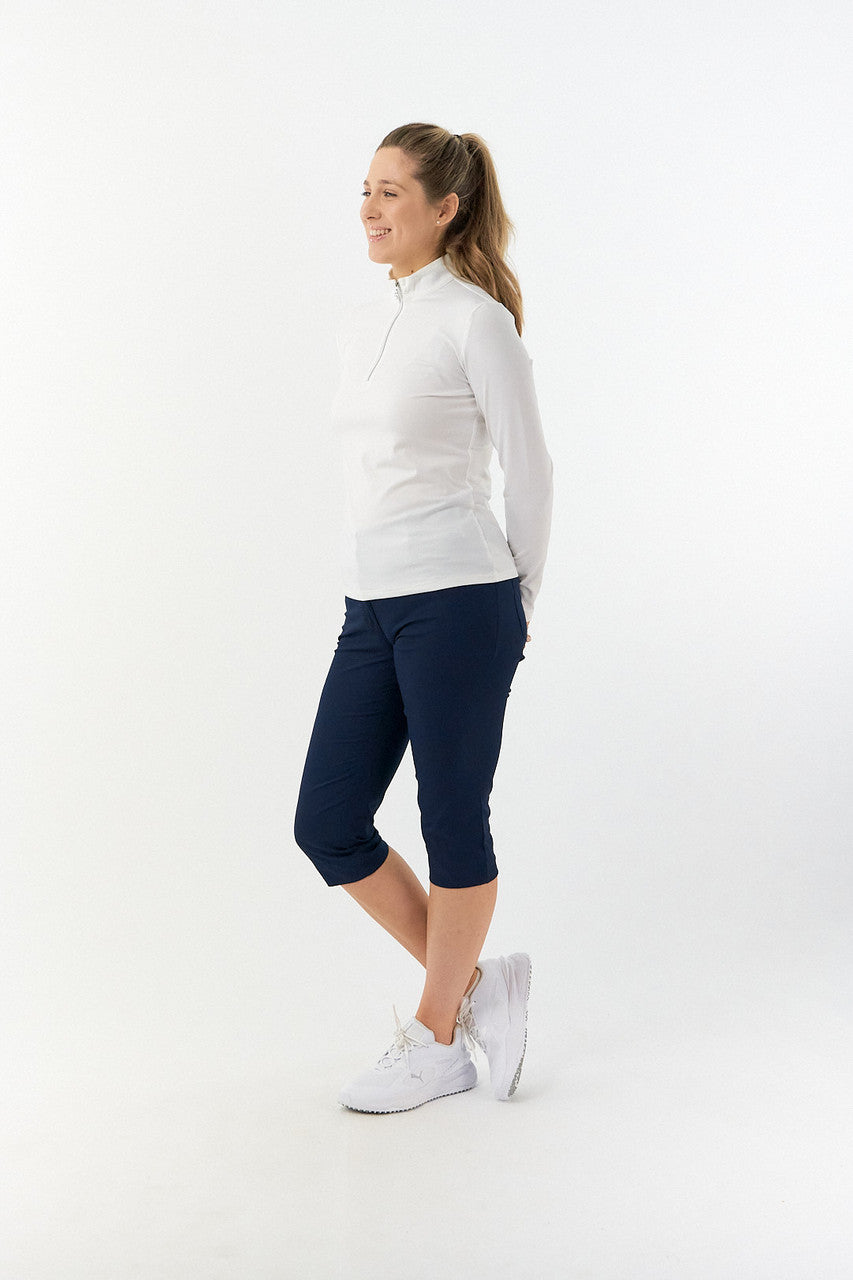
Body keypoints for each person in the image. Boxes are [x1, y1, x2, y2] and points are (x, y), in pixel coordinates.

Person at [293, 122, 554, 1113]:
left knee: (450, 818)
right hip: (372, 605)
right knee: (328, 822)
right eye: (365, 189)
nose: (369, 208)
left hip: (461, 600)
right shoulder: (366, 323)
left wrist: (517, 603)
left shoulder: (475, 321)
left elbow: (531, 472)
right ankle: (481, 987)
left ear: (445, 208)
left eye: (391, 191)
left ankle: (438, 1033)